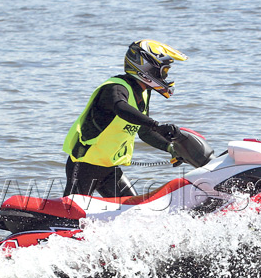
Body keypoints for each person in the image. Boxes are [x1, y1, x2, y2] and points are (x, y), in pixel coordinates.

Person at [62, 39, 188, 198]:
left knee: (132, 210)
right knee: (68, 218)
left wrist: (171, 148)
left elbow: (145, 132)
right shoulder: (115, 87)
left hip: (110, 170)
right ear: (147, 68)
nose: (165, 77)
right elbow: (120, 107)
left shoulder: (143, 92)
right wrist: (156, 125)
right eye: (163, 72)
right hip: (84, 167)